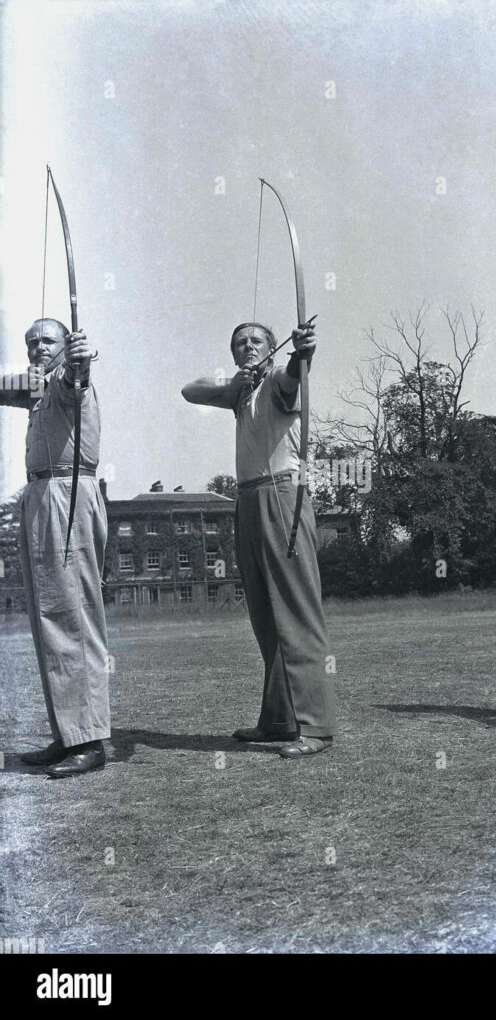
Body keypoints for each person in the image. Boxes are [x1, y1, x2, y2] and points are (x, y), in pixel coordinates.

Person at [182, 320, 336, 758]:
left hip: (281, 494)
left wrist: (300, 355)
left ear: (272, 349)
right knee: (266, 615)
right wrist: (234, 383)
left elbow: (290, 378)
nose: (247, 347)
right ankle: (279, 719)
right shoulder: (240, 392)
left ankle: (317, 726)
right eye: (239, 344)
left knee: (295, 609)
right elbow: (189, 391)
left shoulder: (275, 383)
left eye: (255, 341)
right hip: (247, 499)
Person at [0, 318, 110, 775]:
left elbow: (75, 382)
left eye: (47, 340)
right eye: (30, 342)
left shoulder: (68, 383)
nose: (36, 347)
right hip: (41, 496)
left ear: (68, 346)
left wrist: (78, 362)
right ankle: (69, 734)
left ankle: (91, 741)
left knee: (73, 616)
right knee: (49, 618)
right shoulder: (36, 389)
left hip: (68, 494)